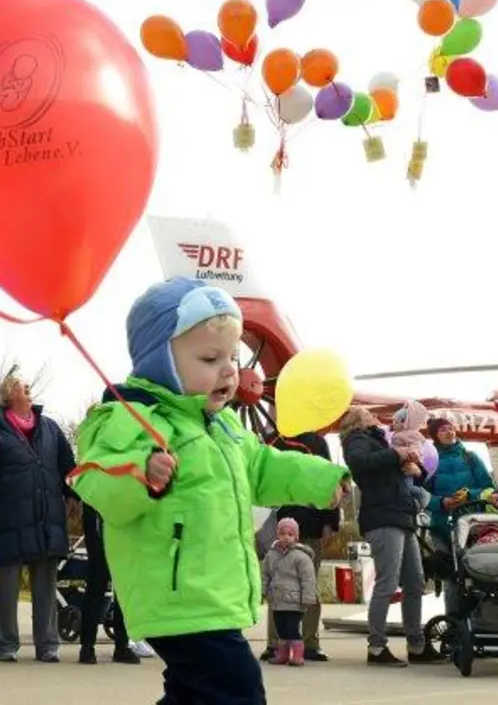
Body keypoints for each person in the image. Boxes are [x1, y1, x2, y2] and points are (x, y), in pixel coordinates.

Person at [71, 278, 348, 705]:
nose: (228, 370)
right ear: (159, 361)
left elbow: (263, 466)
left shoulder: (224, 426)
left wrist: (322, 479)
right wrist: (142, 472)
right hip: (179, 595)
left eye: (232, 357)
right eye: (209, 357)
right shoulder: (134, 418)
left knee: (193, 692)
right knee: (237, 690)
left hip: (212, 594)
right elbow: (93, 476)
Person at [0, 371, 77, 663]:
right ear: (10, 395)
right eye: (24, 386)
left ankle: (48, 644)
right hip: (11, 517)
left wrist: (73, 495)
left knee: (46, 584)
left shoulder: (49, 427)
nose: (29, 389)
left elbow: (66, 464)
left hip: (47, 515)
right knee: (8, 586)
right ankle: (7, 644)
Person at [340, 405, 440, 667]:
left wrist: (412, 469)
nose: (374, 416)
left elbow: (392, 474)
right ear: (356, 421)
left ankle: (416, 643)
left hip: (401, 516)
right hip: (383, 518)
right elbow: (360, 463)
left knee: (415, 582)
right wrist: (396, 454)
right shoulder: (357, 440)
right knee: (387, 582)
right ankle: (376, 646)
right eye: (367, 414)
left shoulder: (379, 440)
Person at [259, 431, 339, 663]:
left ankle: (310, 641)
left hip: (311, 523)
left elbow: (330, 478)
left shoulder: (316, 441)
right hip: (280, 523)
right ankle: (275, 643)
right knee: (278, 586)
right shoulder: (275, 439)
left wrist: (330, 522)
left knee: (308, 584)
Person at [422, 417, 498, 618]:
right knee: (451, 578)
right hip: (442, 526)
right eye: (443, 430)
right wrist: (441, 502)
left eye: (451, 428)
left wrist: (470, 495)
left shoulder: (470, 457)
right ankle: (454, 627)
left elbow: (489, 488)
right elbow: (422, 494)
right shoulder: (429, 461)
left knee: (479, 573)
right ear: (435, 436)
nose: (449, 432)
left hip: (474, 525)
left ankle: (482, 621)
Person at [77, 497, 140, 665]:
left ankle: (122, 645)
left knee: (123, 582)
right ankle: (87, 646)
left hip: (124, 510)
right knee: (98, 579)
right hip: (98, 509)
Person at [262, 518, 319, 667]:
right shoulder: (271, 555)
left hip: (294, 601)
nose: (286, 536)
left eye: (290, 534)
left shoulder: (301, 557)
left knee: (292, 628)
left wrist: (308, 597)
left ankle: (298, 655)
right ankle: (283, 654)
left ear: (296, 536)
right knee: (281, 629)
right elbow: (265, 575)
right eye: (282, 533)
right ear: (277, 535)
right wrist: (263, 591)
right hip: (278, 600)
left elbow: (308, 579)